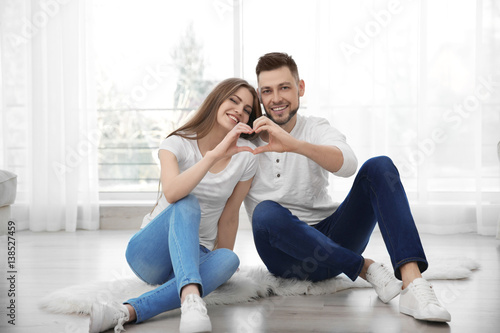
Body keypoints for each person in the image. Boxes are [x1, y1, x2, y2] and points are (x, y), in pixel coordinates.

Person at [244, 52, 451, 322]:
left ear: (300, 88)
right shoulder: (247, 141)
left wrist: (294, 144)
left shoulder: (316, 127)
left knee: (379, 166)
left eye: (284, 87)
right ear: (260, 96)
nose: (276, 98)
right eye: (267, 91)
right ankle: (364, 268)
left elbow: (348, 165)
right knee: (265, 212)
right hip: (285, 257)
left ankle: (413, 284)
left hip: (333, 237)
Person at [89, 78, 262, 333]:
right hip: (151, 252)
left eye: (247, 109)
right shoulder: (177, 143)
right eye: (233, 101)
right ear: (216, 100)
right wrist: (215, 155)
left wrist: (218, 268)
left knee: (229, 259)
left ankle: (127, 311)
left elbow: (230, 216)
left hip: (196, 253)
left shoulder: (246, 156)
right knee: (187, 202)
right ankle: (192, 294)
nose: (239, 110)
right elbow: (172, 193)